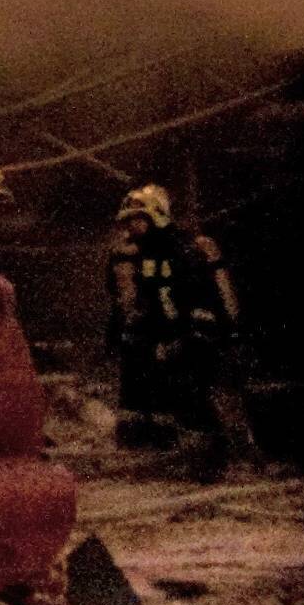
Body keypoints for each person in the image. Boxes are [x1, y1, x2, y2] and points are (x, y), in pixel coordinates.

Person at [107, 184, 237, 450]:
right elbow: (144, 301)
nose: (130, 227)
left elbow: (201, 301)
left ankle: (214, 448)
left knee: (190, 386)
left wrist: (180, 340)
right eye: (128, 220)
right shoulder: (145, 254)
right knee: (140, 367)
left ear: (156, 216)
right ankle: (149, 441)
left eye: (136, 219)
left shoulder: (182, 250)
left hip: (197, 334)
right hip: (167, 334)